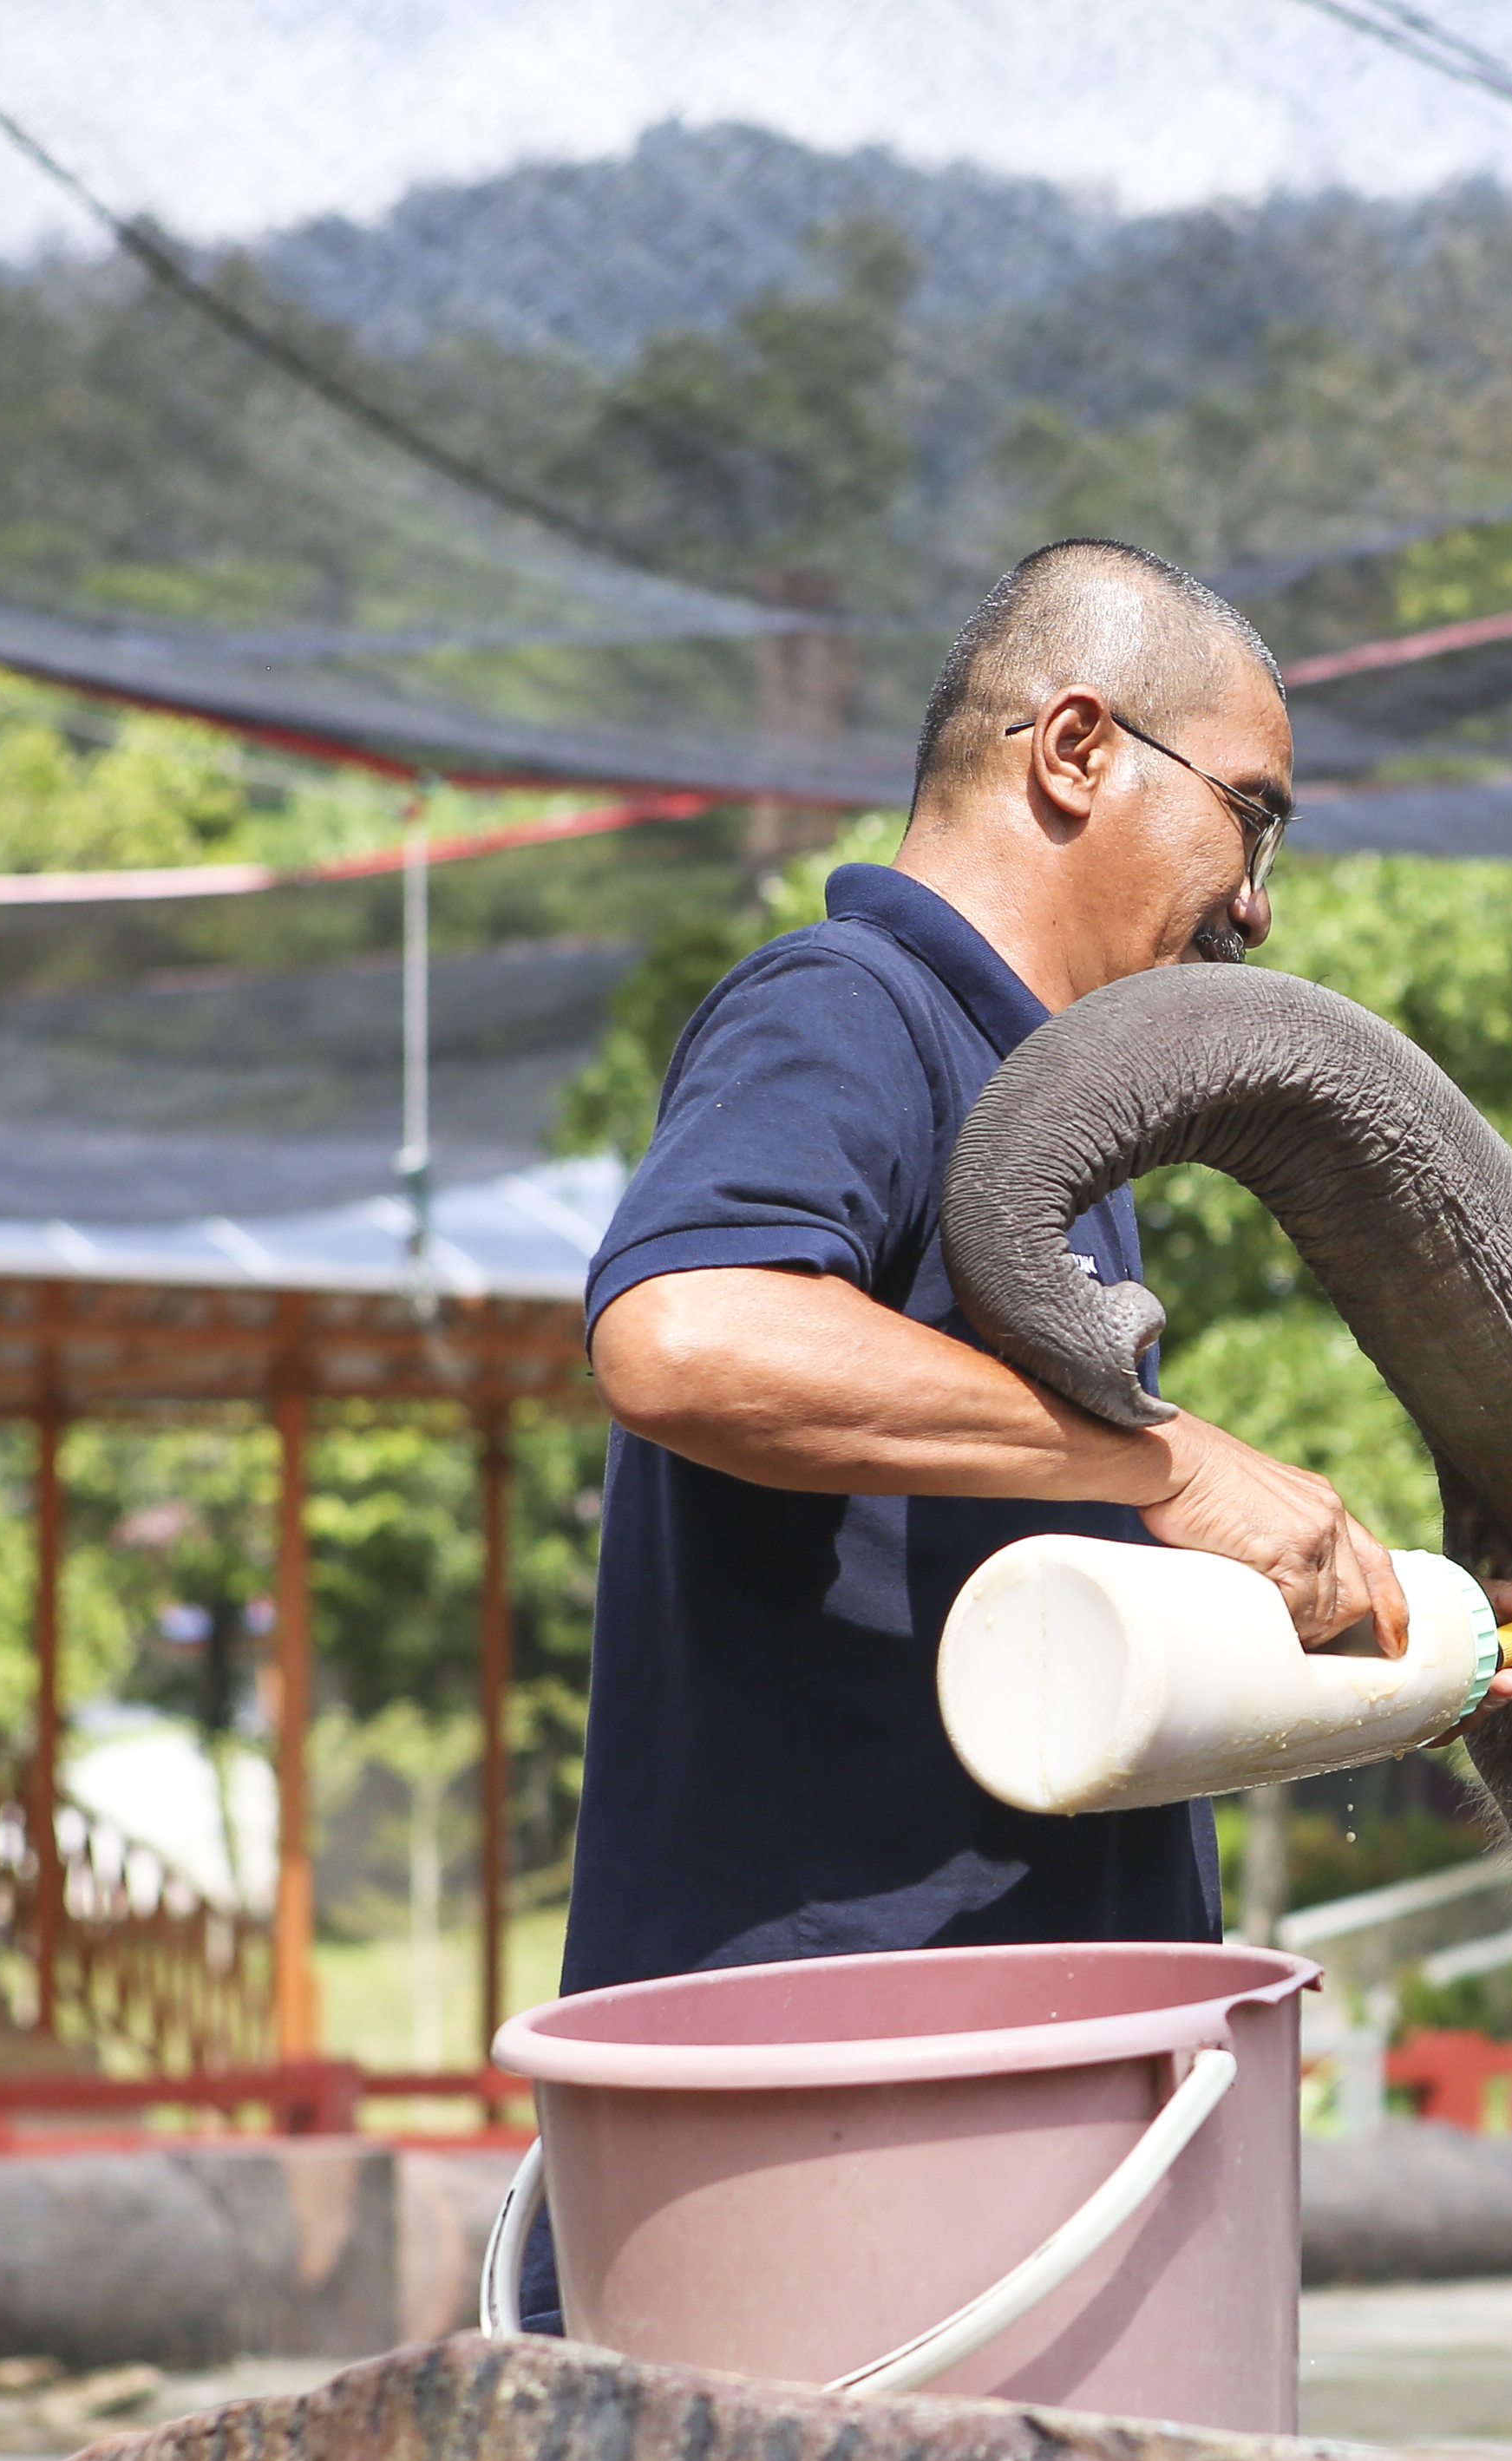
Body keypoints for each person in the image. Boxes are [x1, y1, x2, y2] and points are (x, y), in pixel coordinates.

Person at [564, 538, 1409, 2007]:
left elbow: (996, 1586)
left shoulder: (1047, 1110)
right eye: (1250, 819)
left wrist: (1383, 1644)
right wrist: (1171, 1467)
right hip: (830, 2085)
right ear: (1078, 750)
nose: (1258, 905)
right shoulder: (850, 1006)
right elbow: (683, 1336)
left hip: (1005, 2086)